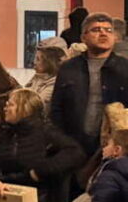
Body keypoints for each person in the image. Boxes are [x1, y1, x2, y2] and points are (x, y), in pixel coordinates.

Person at [51, 12, 128, 156]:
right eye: (96, 29)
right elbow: (56, 109)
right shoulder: (69, 68)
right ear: (83, 37)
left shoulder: (124, 68)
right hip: (72, 145)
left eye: (108, 30)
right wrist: (63, 142)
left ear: (115, 37)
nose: (103, 33)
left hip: (112, 148)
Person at [25, 45, 63, 114]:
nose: (34, 62)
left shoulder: (53, 84)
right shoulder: (36, 77)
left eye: (38, 59)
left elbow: (36, 105)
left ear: (48, 62)